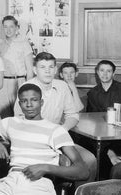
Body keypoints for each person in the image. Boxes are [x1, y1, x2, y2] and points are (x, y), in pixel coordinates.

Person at [14, 53, 97, 182]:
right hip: (34, 141)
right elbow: (19, 121)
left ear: (55, 69)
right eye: (43, 67)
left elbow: (73, 115)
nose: (47, 71)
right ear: (35, 70)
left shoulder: (62, 86)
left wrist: (62, 129)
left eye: (51, 67)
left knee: (90, 161)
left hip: (58, 140)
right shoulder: (27, 88)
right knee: (61, 165)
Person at [0, 16, 34, 117]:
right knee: (4, 116)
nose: (8, 30)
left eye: (11, 27)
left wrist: (28, 88)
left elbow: (30, 70)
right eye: (5, 27)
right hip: (3, 84)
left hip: (19, 82)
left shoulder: (24, 44)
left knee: (20, 115)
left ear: (17, 28)